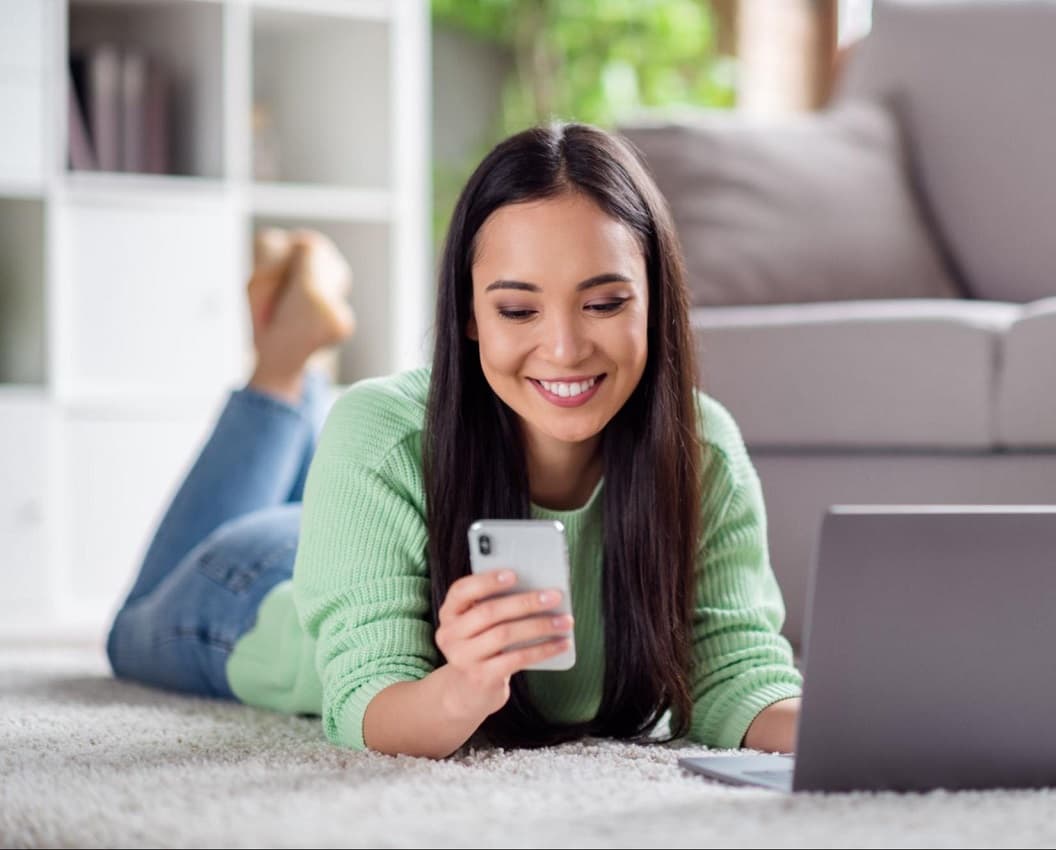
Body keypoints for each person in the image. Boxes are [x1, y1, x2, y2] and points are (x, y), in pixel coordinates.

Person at [106, 123, 803, 759]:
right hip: (251, 591)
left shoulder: (702, 447)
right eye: (517, 308)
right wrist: (465, 685)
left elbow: (734, 672)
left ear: (656, 299)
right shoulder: (380, 429)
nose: (563, 347)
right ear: (469, 314)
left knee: (355, 475)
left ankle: (293, 371)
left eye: (604, 302)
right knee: (128, 630)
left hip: (370, 522)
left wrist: (850, 727)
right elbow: (366, 702)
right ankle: (283, 369)